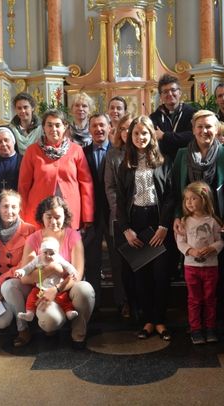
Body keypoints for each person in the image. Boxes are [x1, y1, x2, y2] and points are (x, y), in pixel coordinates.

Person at [173, 110, 224, 335]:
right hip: (190, 224)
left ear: (217, 129)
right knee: (195, 276)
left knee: (220, 273)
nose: (204, 131)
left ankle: (216, 321)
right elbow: (175, 191)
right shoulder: (182, 154)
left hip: (216, 224)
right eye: (199, 127)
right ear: (193, 130)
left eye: (209, 126)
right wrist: (176, 218)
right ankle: (196, 324)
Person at [4, 196, 95, 349]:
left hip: (67, 289)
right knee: (9, 287)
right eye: (49, 217)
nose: (53, 221)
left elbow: (77, 275)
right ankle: (24, 329)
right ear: (42, 217)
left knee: (85, 289)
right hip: (41, 289)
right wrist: (53, 269)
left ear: (65, 216)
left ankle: (78, 333)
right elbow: (25, 278)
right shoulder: (34, 239)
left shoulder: (73, 235)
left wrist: (56, 289)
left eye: (58, 217)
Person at [116, 115, 175, 341]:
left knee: (161, 274)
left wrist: (164, 226)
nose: (140, 137)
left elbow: (170, 196)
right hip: (135, 221)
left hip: (158, 220)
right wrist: (126, 230)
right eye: (136, 133)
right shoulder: (125, 164)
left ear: (152, 136)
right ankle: (147, 321)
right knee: (141, 276)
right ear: (130, 136)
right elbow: (120, 200)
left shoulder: (164, 161)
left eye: (144, 133)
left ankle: (160, 320)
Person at [0, 190, 36, 345]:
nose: (10, 211)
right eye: (5, 206)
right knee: (0, 323)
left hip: (20, 284)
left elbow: (25, 264)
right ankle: (14, 317)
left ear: (20, 209)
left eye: (14, 207)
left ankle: (23, 329)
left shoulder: (30, 230)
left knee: (8, 286)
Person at [18, 109, 94, 230]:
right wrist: (21, 214)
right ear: (43, 127)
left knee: (68, 247)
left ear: (65, 127)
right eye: (49, 125)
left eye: (57, 125)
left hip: (69, 212)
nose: (53, 129)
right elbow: (23, 185)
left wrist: (87, 215)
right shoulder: (32, 151)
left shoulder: (76, 150)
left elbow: (86, 183)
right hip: (40, 212)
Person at [176, 181, 224, 345]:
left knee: (210, 298)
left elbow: (221, 241)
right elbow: (180, 242)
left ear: (203, 199)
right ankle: (196, 329)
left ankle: (210, 328)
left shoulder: (213, 221)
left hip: (211, 267)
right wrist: (191, 251)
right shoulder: (184, 221)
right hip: (191, 267)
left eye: (193, 198)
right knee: (194, 299)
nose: (189, 202)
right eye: (186, 199)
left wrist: (212, 248)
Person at [104, 113, 134, 318]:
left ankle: (139, 300)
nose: (127, 132)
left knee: (138, 260)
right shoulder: (113, 155)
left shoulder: (145, 152)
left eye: (131, 128)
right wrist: (123, 214)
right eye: (123, 128)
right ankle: (124, 302)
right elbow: (110, 188)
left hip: (142, 216)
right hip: (119, 217)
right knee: (119, 263)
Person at [82, 113, 112, 309]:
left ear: (110, 127)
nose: (98, 129)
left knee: (118, 260)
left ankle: (122, 302)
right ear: (89, 129)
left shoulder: (119, 151)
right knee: (92, 262)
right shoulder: (81, 153)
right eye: (94, 126)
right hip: (90, 214)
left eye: (102, 125)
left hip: (113, 213)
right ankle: (94, 305)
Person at [15, 236, 79, 322]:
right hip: (40, 288)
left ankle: (69, 312)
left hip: (56, 287)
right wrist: (21, 271)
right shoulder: (38, 259)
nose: (48, 256)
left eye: (51, 253)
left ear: (56, 253)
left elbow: (67, 265)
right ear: (41, 251)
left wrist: (73, 272)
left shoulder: (58, 258)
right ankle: (30, 313)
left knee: (63, 299)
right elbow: (29, 267)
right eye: (45, 252)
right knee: (32, 297)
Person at [150, 74, 197, 161]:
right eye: (165, 92)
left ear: (180, 93)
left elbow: (192, 136)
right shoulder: (154, 117)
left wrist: (164, 136)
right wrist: (179, 138)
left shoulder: (192, 113)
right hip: (163, 162)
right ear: (160, 96)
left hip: (187, 161)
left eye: (173, 90)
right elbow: (155, 142)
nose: (170, 94)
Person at [8, 92, 43, 156]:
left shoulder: (42, 129)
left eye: (25, 107)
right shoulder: (10, 130)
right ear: (15, 110)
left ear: (32, 108)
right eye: (19, 108)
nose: (22, 111)